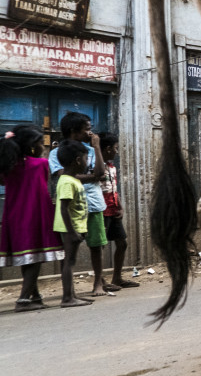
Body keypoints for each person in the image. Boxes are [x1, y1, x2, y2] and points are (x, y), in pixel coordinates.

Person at [0, 125, 65, 311]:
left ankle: (34, 295)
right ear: (31, 146)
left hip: (13, 216)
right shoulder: (40, 165)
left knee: (27, 257)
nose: (43, 147)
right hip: (34, 214)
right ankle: (22, 300)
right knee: (34, 259)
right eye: (39, 143)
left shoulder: (8, 167)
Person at [48, 112, 111, 297]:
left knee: (97, 245)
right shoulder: (56, 152)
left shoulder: (90, 150)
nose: (90, 133)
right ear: (74, 131)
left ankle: (98, 284)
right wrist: (93, 177)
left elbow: (102, 173)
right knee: (69, 252)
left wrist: (97, 148)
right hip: (72, 207)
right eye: (87, 129)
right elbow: (64, 176)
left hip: (93, 203)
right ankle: (69, 291)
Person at [53, 139, 93, 308]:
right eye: (85, 158)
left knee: (70, 262)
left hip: (75, 227)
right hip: (71, 228)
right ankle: (67, 298)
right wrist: (72, 232)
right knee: (69, 262)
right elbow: (63, 208)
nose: (87, 162)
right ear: (78, 160)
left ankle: (72, 295)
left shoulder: (72, 179)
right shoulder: (67, 182)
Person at [99, 132, 136, 288]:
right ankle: (100, 281)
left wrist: (119, 206)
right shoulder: (97, 166)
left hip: (113, 209)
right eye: (115, 148)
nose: (116, 151)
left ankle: (117, 278)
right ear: (107, 149)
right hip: (102, 209)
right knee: (100, 246)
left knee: (122, 243)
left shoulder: (112, 167)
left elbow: (113, 189)